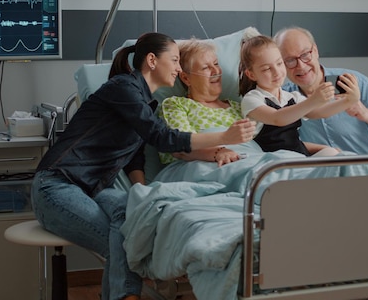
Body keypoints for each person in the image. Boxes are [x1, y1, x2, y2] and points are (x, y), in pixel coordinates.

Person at [31, 32, 255, 300]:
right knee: (128, 241)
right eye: (174, 60)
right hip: (56, 184)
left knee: (133, 221)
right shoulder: (122, 88)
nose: (178, 67)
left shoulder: (144, 103)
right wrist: (224, 138)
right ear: (151, 60)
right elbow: (161, 137)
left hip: (94, 187)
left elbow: (134, 155)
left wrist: (141, 190)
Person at [274, 26, 368, 160]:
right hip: (318, 178)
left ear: (315, 51)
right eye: (290, 60)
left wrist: (365, 113)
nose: (301, 66)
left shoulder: (352, 82)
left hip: (366, 174)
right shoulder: (283, 98)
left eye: (305, 55)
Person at [238, 35, 361, 156]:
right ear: (251, 74)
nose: (277, 72)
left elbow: (318, 112)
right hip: (274, 161)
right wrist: (313, 100)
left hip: (299, 156)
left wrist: (349, 101)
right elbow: (278, 118)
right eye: (266, 69)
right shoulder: (252, 99)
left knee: (336, 154)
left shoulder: (291, 97)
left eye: (279, 63)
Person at [159, 38, 248, 166]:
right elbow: (180, 147)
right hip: (204, 165)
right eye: (206, 67)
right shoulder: (176, 105)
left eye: (216, 64)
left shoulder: (239, 107)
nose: (216, 71)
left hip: (249, 159)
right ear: (186, 78)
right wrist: (217, 152)